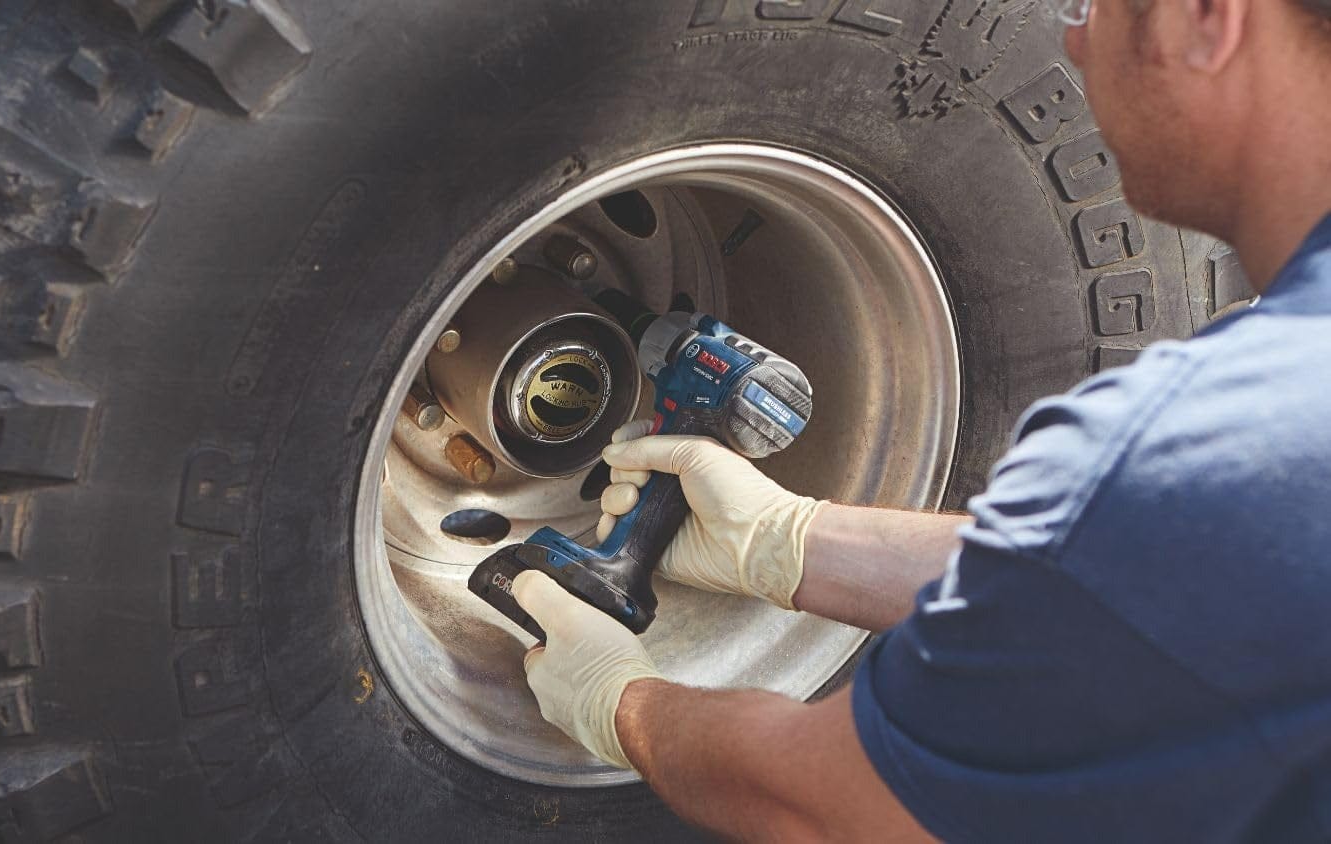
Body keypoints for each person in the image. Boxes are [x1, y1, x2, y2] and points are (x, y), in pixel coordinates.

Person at [508, 0, 1331, 839]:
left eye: (1092, 5)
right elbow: (1164, 578)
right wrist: (789, 540)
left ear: (1208, 16)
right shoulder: (1277, 421)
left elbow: (842, 811)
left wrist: (619, 703)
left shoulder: (1201, 448)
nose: (1074, 40)